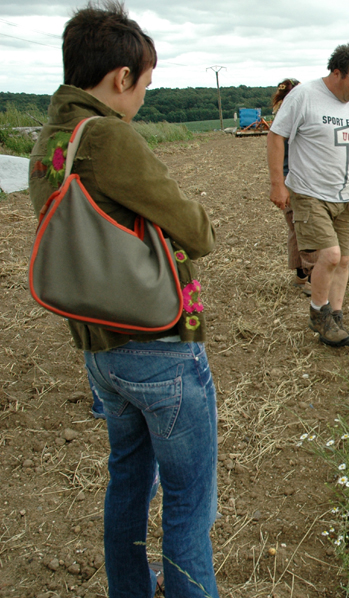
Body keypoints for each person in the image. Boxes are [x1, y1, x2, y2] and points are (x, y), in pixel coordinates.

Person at [28, 2, 220, 597]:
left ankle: (131, 589)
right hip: (159, 347)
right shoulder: (109, 136)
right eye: (146, 84)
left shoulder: (51, 140)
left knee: (128, 486)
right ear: (121, 77)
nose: (144, 99)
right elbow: (194, 231)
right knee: (189, 502)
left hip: (99, 350)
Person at [267, 41, 349, 347]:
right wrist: (277, 183)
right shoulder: (305, 96)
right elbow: (276, 135)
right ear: (337, 73)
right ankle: (318, 315)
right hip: (309, 192)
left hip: (346, 195)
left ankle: (335, 316)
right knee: (329, 256)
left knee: (343, 259)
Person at [271, 78, 314, 296]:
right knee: (303, 230)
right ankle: (310, 276)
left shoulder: (280, 115)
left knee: (296, 230)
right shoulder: (288, 118)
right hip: (295, 182)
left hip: (291, 180)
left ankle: (302, 277)